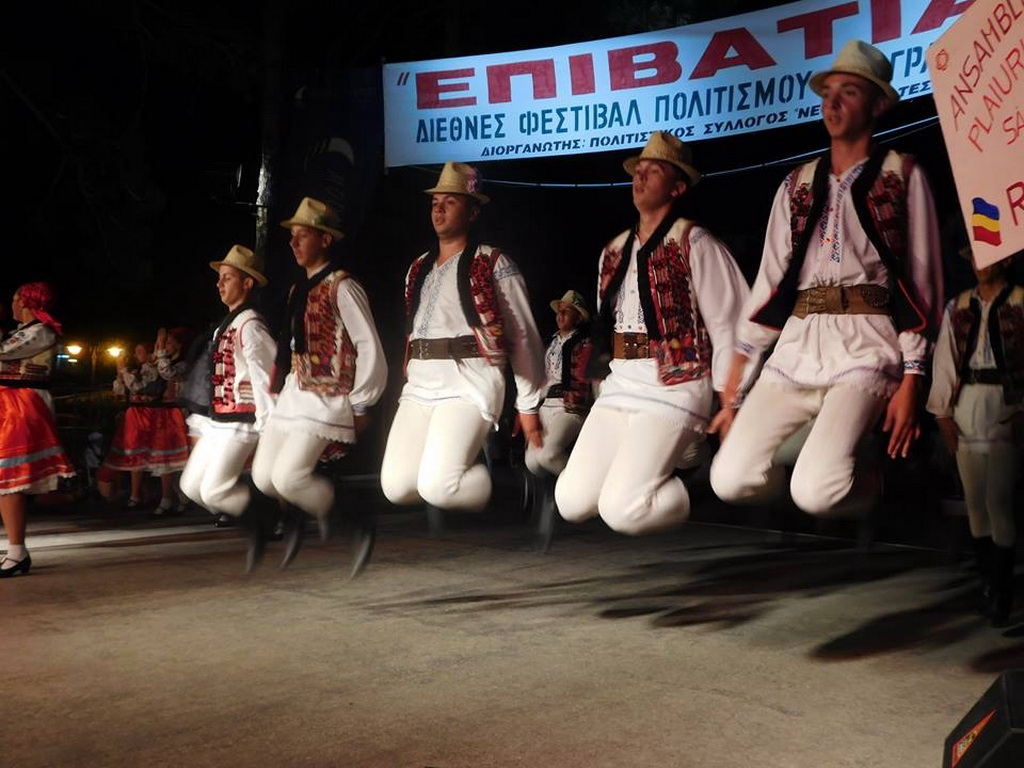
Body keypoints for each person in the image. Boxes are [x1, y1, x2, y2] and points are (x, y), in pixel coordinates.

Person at [709, 40, 943, 519]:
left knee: (815, 492)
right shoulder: (796, 183)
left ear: (877, 105)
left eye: (849, 91)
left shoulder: (901, 174)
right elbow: (770, 281)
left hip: (865, 345)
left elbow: (922, 280)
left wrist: (913, 377)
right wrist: (740, 374)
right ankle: (825, 465)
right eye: (828, 91)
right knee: (728, 479)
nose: (832, 102)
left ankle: (867, 482)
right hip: (797, 345)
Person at [555, 131, 752, 535]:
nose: (640, 178)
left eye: (654, 171)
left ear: (677, 186)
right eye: (638, 171)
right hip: (622, 381)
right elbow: (606, 323)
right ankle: (662, 477)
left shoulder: (695, 242)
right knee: (572, 501)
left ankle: (686, 488)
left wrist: (731, 401)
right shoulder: (613, 250)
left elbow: (729, 324)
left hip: (675, 385)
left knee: (621, 509)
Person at [380, 162, 546, 520]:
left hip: (468, 379)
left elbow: (523, 337)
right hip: (421, 383)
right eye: (435, 201)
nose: (438, 208)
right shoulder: (418, 266)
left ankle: (514, 486)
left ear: (472, 211)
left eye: (450, 201)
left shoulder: (493, 262)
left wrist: (528, 405)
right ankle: (474, 479)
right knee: (397, 486)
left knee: (437, 486)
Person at [251, 197, 387, 575]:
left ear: (325, 240)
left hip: (327, 395)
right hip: (296, 392)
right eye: (292, 237)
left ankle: (355, 517)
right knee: (264, 476)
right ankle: (299, 515)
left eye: (302, 236)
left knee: (288, 476)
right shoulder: (300, 290)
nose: (293, 244)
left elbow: (368, 344)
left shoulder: (342, 286)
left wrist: (362, 403)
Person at [927, 249, 1023, 626]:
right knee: (976, 506)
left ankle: (1001, 593)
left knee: (998, 501)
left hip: (1004, 404)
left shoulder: (1019, 301)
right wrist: (943, 415)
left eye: (988, 257)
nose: (979, 264)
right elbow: (946, 360)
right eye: (974, 258)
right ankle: (988, 585)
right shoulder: (960, 305)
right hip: (968, 404)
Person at [179, 245, 277, 571]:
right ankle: (262, 513)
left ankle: (268, 517)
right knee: (191, 486)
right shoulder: (227, 324)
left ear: (248, 283)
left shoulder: (250, 325)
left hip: (242, 420)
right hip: (219, 420)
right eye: (219, 279)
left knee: (214, 488)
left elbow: (266, 378)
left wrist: (269, 427)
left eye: (227, 278)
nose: (219, 284)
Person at [0, 283, 76, 577]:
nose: (13, 305)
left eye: (17, 299)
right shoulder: (24, 332)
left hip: (23, 405)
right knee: (6, 480)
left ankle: (17, 552)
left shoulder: (40, 331)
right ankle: (16, 550)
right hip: (11, 405)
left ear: (29, 301)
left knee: (9, 478)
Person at [526, 290, 594, 549]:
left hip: (570, 407)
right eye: (559, 310)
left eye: (567, 310)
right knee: (533, 462)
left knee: (548, 455)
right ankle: (559, 492)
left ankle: (579, 490)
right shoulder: (548, 342)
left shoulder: (585, 343)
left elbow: (595, 380)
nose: (560, 315)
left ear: (578, 316)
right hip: (545, 406)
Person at [103, 337, 190, 511]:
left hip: (167, 413)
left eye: (140, 352)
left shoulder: (176, 365)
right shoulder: (140, 369)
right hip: (146, 414)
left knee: (165, 458)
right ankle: (140, 495)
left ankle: (173, 498)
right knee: (143, 455)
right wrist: (121, 373)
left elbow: (146, 386)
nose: (136, 355)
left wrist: (126, 372)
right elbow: (121, 391)